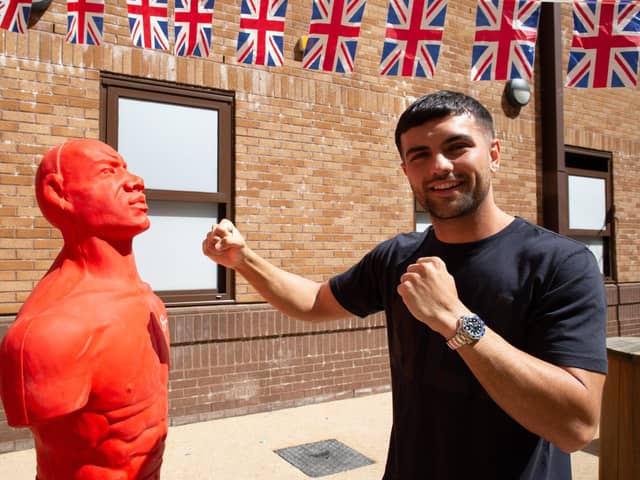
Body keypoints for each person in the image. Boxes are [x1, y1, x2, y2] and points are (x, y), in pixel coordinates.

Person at [202, 90, 607, 479]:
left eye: (457, 147)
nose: (439, 166)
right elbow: (313, 302)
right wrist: (243, 260)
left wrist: (456, 320)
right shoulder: (397, 257)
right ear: (406, 171)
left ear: (494, 155)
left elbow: (576, 427)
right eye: (420, 156)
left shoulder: (560, 263)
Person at [0, 139, 170, 480]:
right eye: (108, 171)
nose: (135, 180)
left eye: (125, 167)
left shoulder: (151, 304)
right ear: (58, 193)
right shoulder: (50, 332)